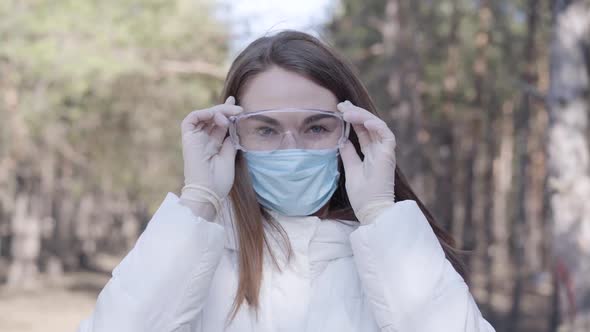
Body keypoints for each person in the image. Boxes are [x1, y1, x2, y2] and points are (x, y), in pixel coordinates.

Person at [78, 30, 495, 332]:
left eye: (316, 128)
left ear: (352, 132)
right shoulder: (199, 252)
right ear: (233, 134)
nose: (290, 149)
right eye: (265, 129)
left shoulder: (393, 253)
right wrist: (199, 201)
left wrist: (381, 215)